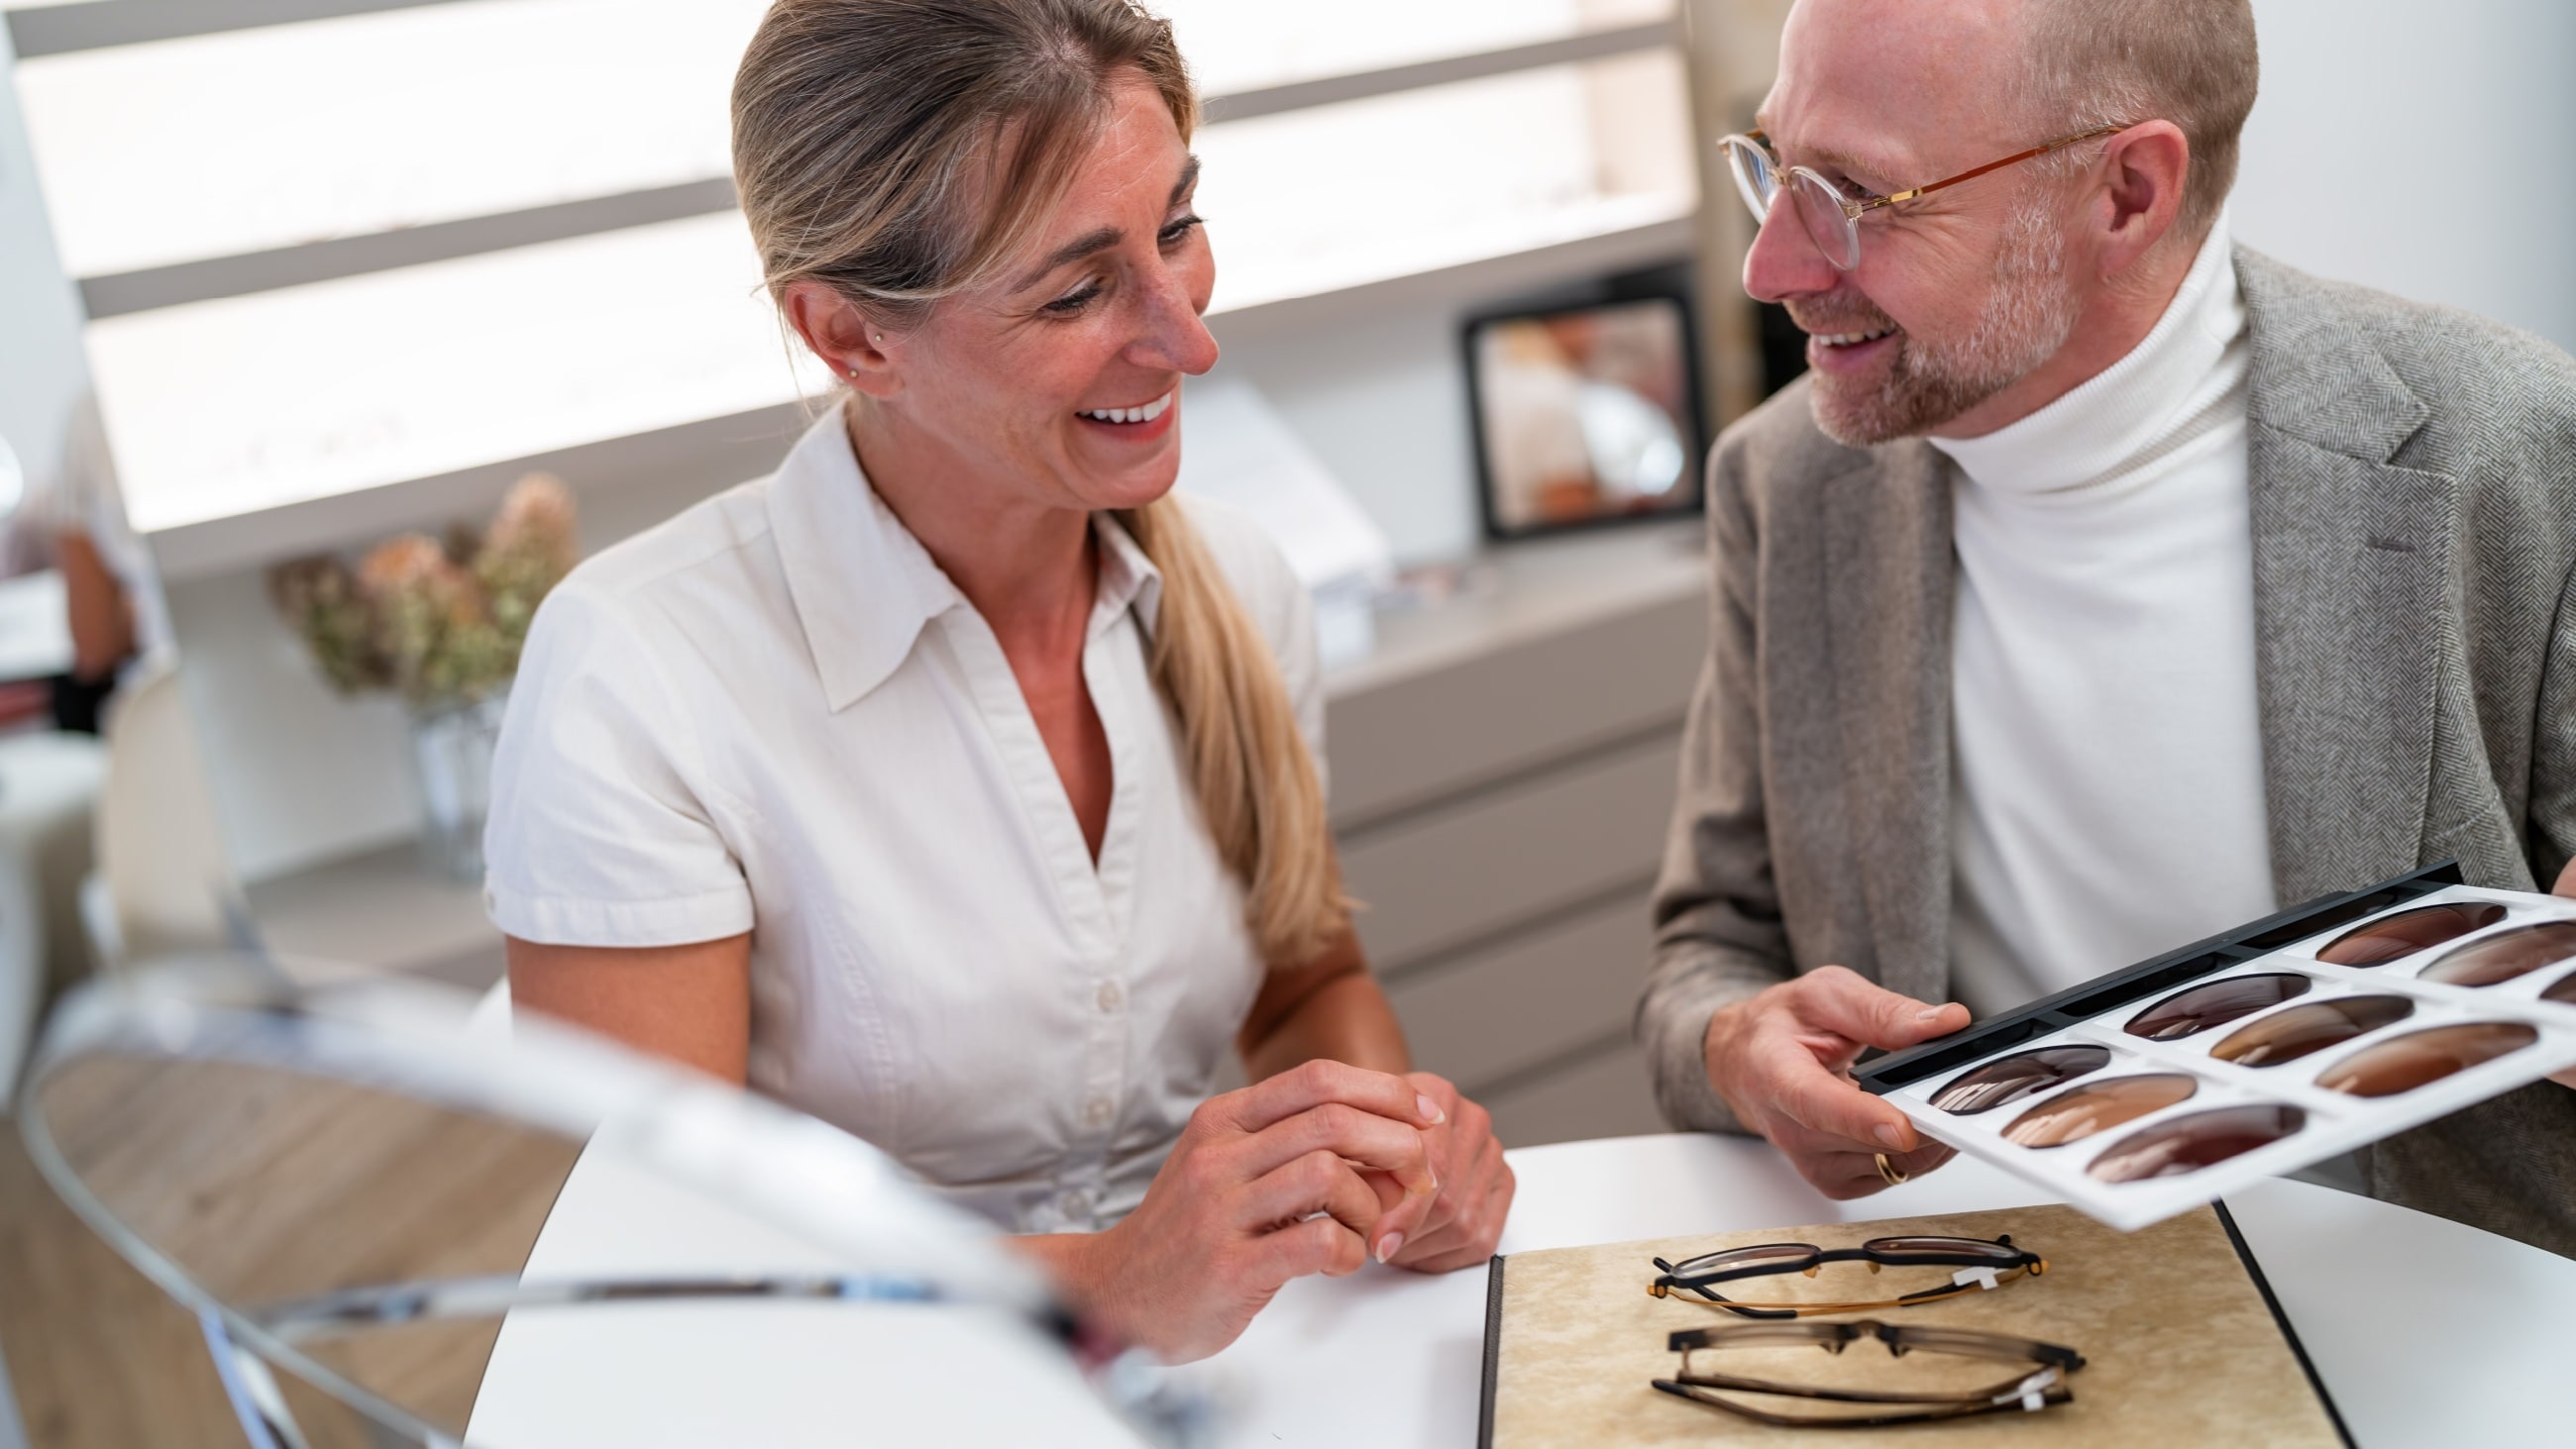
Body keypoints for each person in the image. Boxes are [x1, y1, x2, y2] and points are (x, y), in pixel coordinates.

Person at [484, 0, 1513, 1363]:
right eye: (1078, 290)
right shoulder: (643, 673)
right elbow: (662, 1269)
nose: (1189, 337)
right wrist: (1106, 1278)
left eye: (1179, 227)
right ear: (852, 338)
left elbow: (1301, 982)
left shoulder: (1241, 588)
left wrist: (1393, 1156)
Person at [1637, 0, 2576, 1256]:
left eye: (1855, 193)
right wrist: (1733, 1044)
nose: (1773, 268)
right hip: (1974, 1320)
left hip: (2438, 1318)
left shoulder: (2503, 447)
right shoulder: (1783, 486)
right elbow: (1707, 951)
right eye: (1772, 168)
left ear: (2125, 193)